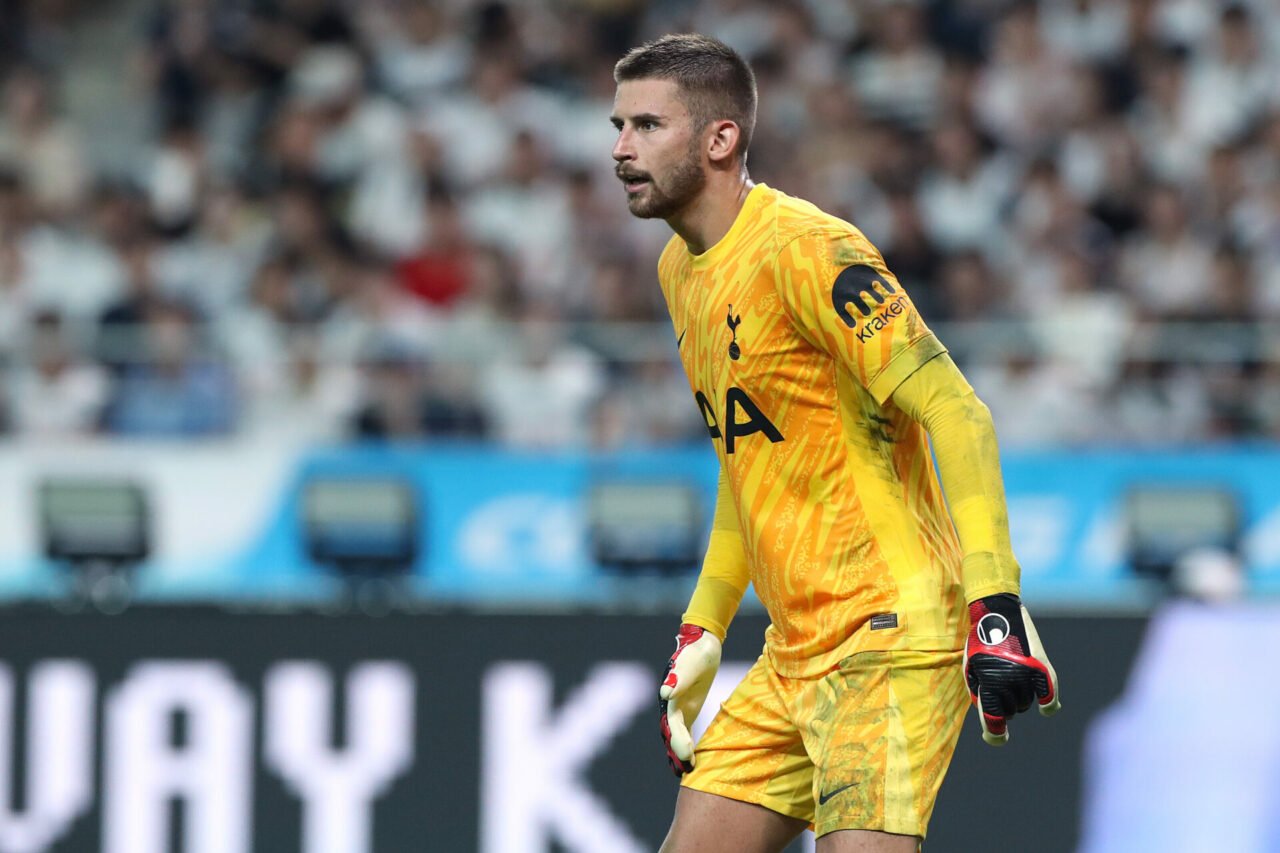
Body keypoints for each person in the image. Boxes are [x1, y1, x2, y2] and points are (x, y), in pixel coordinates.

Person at [610, 34, 1061, 852]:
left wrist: (994, 602)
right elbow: (746, 459)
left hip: (890, 631)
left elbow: (959, 413)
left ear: (720, 139)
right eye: (619, 124)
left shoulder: (810, 251)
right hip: (793, 649)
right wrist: (703, 624)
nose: (621, 148)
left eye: (647, 125)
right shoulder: (681, 269)